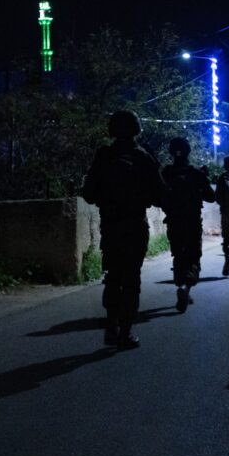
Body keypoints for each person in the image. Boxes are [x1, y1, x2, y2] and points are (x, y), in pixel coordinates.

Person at [82, 110, 166, 350]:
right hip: (135, 226)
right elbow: (161, 195)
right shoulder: (143, 157)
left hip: (110, 227)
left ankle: (111, 325)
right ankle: (126, 332)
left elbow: (88, 195)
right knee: (131, 279)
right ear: (136, 129)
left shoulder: (103, 156)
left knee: (113, 276)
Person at [161, 137, 216, 313]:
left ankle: (180, 284)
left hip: (174, 221)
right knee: (193, 256)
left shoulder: (166, 173)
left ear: (171, 152)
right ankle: (186, 287)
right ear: (188, 152)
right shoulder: (196, 174)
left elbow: (158, 197)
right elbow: (211, 197)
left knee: (178, 254)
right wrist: (204, 179)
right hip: (192, 222)